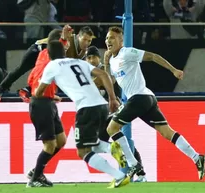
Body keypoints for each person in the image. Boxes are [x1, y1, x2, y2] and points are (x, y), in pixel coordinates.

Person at [104, 26, 205, 180]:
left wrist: (173, 70)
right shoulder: (112, 60)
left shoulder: (127, 52)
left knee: (112, 128)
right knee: (167, 132)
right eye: (106, 38)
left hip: (139, 97)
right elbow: (111, 81)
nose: (108, 41)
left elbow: (152, 56)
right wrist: (106, 63)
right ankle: (197, 158)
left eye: (112, 38)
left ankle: (133, 164)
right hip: (147, 98)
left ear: (120, 40)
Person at [35, 41, 130, 188]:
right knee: (92, 145)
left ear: (49, 54)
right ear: (64, 52)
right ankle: (107, 147)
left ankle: (118, 174)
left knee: (82, 151)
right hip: (101, 105)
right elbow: (104, 74)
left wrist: (44, 95)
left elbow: (39, 92)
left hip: (86, 108)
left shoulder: (52, 66)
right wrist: (112, 98)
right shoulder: (79, 62)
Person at [85, 46, 148, 181]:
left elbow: (111, 80)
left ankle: (137, 172)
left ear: (99, 57)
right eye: (88, 58)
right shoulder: (88, 73)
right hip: (103, 117)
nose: (91, 60)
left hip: (115, 113)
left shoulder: (104, 69)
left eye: (93, 57)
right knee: (104, 146)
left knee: (116, 143)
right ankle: (135, 168)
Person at [0, 25, 95, 103]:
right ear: (78, 36)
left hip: (46, 55)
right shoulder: (69, 40)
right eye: (84, 39)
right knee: (21, 70)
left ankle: (27, 89)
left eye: (89, 41)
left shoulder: (82, 50)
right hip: (37, 50)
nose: (86, 43)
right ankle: (0, 89)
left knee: (52, 73)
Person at [25, 29, 72, 187]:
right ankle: (35, 178)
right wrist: (64, 40)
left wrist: (50, 93)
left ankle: (36, 172)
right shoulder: (51, 59)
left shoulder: (43, 55)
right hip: (41, 104)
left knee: (61, 141)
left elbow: (31, 78)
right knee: (50, 145)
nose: (66, 48)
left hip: (47, 101)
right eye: (64, 45)